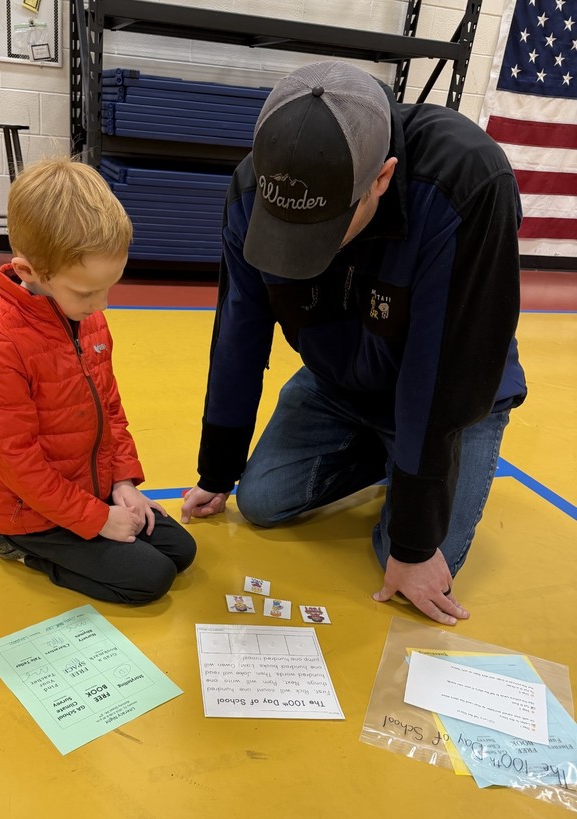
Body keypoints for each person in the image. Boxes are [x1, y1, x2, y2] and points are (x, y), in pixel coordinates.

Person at [181, 60, 526, 626]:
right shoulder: (254, 186)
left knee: (404, 556)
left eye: (321, 231)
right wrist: (217, 471)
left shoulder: (466, 180)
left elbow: (442, 377)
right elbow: (238, 332)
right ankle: (383, 453)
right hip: (338, 382)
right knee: (260, 502)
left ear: (382, 179)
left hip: (453, 387)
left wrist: (414, 545)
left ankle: (407, 460)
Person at [0, 156, 196, 604]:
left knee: (181, 551)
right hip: (32, 510)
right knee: (150, 580)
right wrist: (97, 519)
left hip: (93, 489)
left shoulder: (87, 320)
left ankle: (96, 513)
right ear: (29, 272)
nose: (101, 305)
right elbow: (17, 464)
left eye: (110, 287)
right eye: (87, 292)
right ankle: (12, 540)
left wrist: (123, 485)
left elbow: (110, 409)